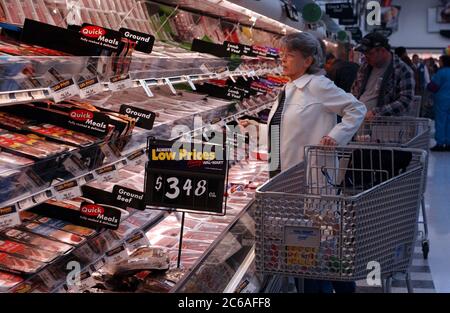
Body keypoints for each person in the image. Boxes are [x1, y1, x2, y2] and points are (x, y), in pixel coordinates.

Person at [240, 32, 366, 292]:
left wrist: (335, 136)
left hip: (310, 181)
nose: (282, 59)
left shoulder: (317, 86)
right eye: (282, 54)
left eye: (289, 55)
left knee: (314, 250)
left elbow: (357, 109)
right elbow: (285, 132)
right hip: (286, 179)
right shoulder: (287, 89)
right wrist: (254, 128)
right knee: (309, 249)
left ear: (308, 60)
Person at [352, 32, 415, 119]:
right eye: (364, 53)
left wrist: (377, 112)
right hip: (359, 122)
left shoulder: (402, 70)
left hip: (385, 127)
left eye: (370, 53)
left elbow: (405, 101)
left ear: (382, 50)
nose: (366, 57)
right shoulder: (365, 66)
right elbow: (354, 91)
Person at [428, 55, 450, 151]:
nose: (439, 63)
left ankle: (440, 143)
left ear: (444, 62)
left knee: (441, 121)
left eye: (440, 61)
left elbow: (433, 86)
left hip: (442, 100)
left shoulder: (441, 73)